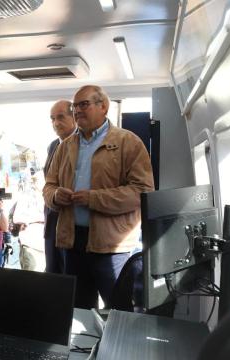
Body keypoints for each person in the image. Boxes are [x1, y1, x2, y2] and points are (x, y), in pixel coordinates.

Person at [42, 85, 154, 309]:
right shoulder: (64, 147)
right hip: (72, 243)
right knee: (79, 311)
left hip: (111, 247)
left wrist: (94, 199)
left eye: (84, 104)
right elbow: (48, 187)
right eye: (75, 107)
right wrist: (55, 196)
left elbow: (142, 191)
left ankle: (116, 346)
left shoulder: (128, 142)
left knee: (119, 312)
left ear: (104, 106)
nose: (77, 111)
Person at [43, 100, 77, 274]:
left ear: (74, 118)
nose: (56, 123)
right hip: (51, 217)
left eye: (61, 117)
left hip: (72, 218)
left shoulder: (84, 146)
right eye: (52, 118)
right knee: (52, 271)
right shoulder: (53, 146)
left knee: (70, 273)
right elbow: (48, 183)